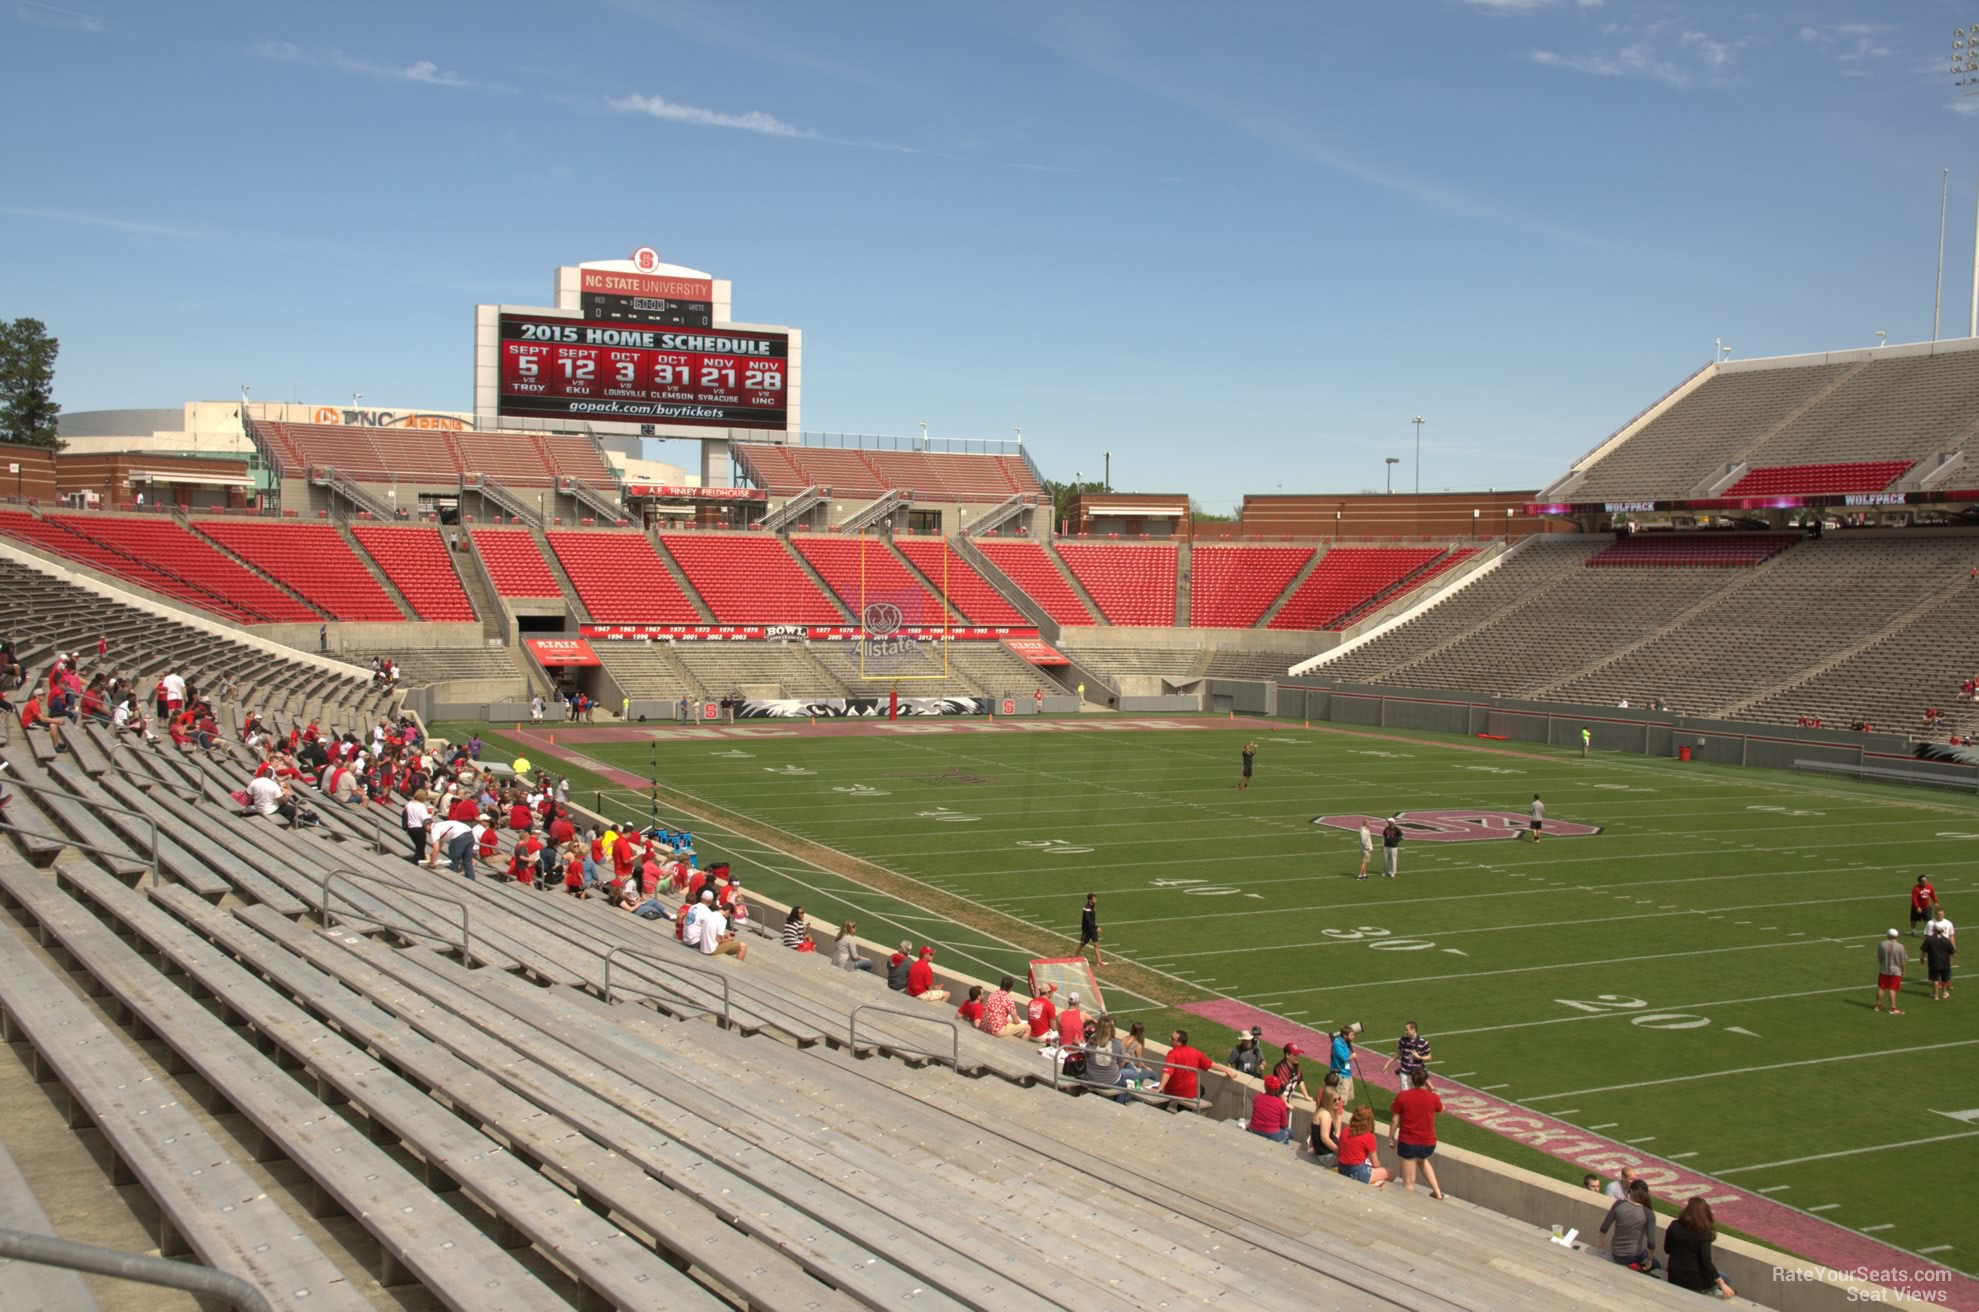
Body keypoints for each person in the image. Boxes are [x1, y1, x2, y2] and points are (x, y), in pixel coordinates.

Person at [1664, 1197, 1735, 1300]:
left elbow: (1667, 1249)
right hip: (1695, 1283)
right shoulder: (1704, 1234)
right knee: (1725, 1277)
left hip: (1674, 1277)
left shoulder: (1674, 1225)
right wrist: (1722, 1284)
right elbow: (1706, 1262)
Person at [1387, 1073, 1445, 1198]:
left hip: (1408, 1142)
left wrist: (1391, 1137)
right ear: (1426, 1081)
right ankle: (1437, 1192)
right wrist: (1430, 1092)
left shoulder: (1403, 1096)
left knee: (1408, 1183)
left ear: (1412, 1081)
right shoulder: (1433, 1097)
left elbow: (1395, 1120)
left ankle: (1408, 1209)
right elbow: (1442, 1109)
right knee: (1421, 1160)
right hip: (1428, 1144)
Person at [1599, 1178, 1660, 1272]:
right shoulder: (1648, 1214)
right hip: (1633, 1256)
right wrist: (1650, 1259)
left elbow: (1604, 1227)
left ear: (1630, 1191)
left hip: (1615, 1254)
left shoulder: (1619, 1204)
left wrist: (1601, 1242)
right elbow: (1651, 1243)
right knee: (1657, 1265)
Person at [1333, 1106, 1390, 1186]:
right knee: (1390, 1173)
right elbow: (1375, 1163)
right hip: (1358, 1172)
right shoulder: (1369, 1136)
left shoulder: (1346, 1130)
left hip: (1342, 1169)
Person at [1159, 1029, 1216, 1104]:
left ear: (1179, 1042)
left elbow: (1167, 1072)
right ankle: (1183, 1110)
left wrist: (1160, 1088)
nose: (1170, 1039)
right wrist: (1227, 1070)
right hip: (1188, 1094)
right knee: (1200, 1089)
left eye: (1172, 1039)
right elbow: (1210, 1064)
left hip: (1172, 1091)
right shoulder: (1196, 1052)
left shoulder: (1172, 1053)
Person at [1082, 1015, 1131, 1102]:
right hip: (1110, 1080)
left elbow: (1086, 1057)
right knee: (1124, 1085)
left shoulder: (1091, 1040)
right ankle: (1118, 1105)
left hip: (1091, 1078)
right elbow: (1121, 1063)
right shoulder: (1117, 1044)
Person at [1384, 1021, 1432, 1086]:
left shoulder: (1423, 1043)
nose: (1405, 1032)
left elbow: (1429, 1058)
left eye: (1407, 1030)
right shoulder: (1403, 1040)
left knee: (1415, 1094)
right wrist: (1387, 1064)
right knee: (1405, 1093)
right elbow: (1398, 1053)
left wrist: (1419, 1057)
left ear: (1414, 1030)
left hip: (1416, 1074)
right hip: (1404, 1071)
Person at [1248, 1076, 1293, 1143]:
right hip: (1272, 1134)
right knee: (1290, 1132)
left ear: (1265, 1087)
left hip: (1253, 1129)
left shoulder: (1257, 1097)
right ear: (1277, 1089)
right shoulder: (1280, 1103)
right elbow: (1284, 1124)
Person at [1308, 1089, 1345, 1167]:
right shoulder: (1326, 1115)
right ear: (1327, 1100)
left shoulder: (1322, 1111)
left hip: (1324, 1153)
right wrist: (1339, 1151)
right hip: (1327, 1156)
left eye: (1339, 1099)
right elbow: (1324, 1138)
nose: (1338, 1102)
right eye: (1334, 1100)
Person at [1876, 928, 1908, 1014]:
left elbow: (1879, 957)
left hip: (1884, 969)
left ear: (1888, 935)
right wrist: (1903, 970)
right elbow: (1902, 961)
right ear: (1896, 936)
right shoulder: (1900, 946)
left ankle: (1878, 1005)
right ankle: (1893, 1008)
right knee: (1892, 988)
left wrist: (1882, 965)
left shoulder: (1882, 944)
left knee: (1881, 987)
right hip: (1896, 971)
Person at [1330, 1023, 1363, 1103]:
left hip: (1347, 1073)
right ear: (1345, 1036)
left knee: (1346, 1099)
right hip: (1341, 1076)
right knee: (1340, 1101)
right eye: (1352, 1035)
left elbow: (1347, 1061)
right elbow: (1345, 1059)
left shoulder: (1346, 1042)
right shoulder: (1337, 1044)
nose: (1354, 1037)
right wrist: (1353, 1056)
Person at [1924, 921, 1956, 1001]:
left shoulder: (1929, 939)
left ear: (1934, 930)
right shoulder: (1946, 940)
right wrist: (1951, 961)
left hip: (1933, 962)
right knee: (1944, 979)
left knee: (1935, 979)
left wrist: (1922, 958)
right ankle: (1944, 993)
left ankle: (1936, 995)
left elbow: (1924, 950)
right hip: (1945, 963)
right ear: (1942, 930)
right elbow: (1952, 952)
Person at [1079, 892, 1106, 967]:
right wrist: (1096, 927)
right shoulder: (1087, 908)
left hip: (1092, 929)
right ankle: (1074, 957)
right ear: (1090, 900)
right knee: (1082, 944)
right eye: (1094, 899)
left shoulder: (1093, 906)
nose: (1096, 900)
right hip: (1087, 930)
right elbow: (1088, 920)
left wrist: (1094, 927)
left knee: (1096, 944)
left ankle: (1099, 961)